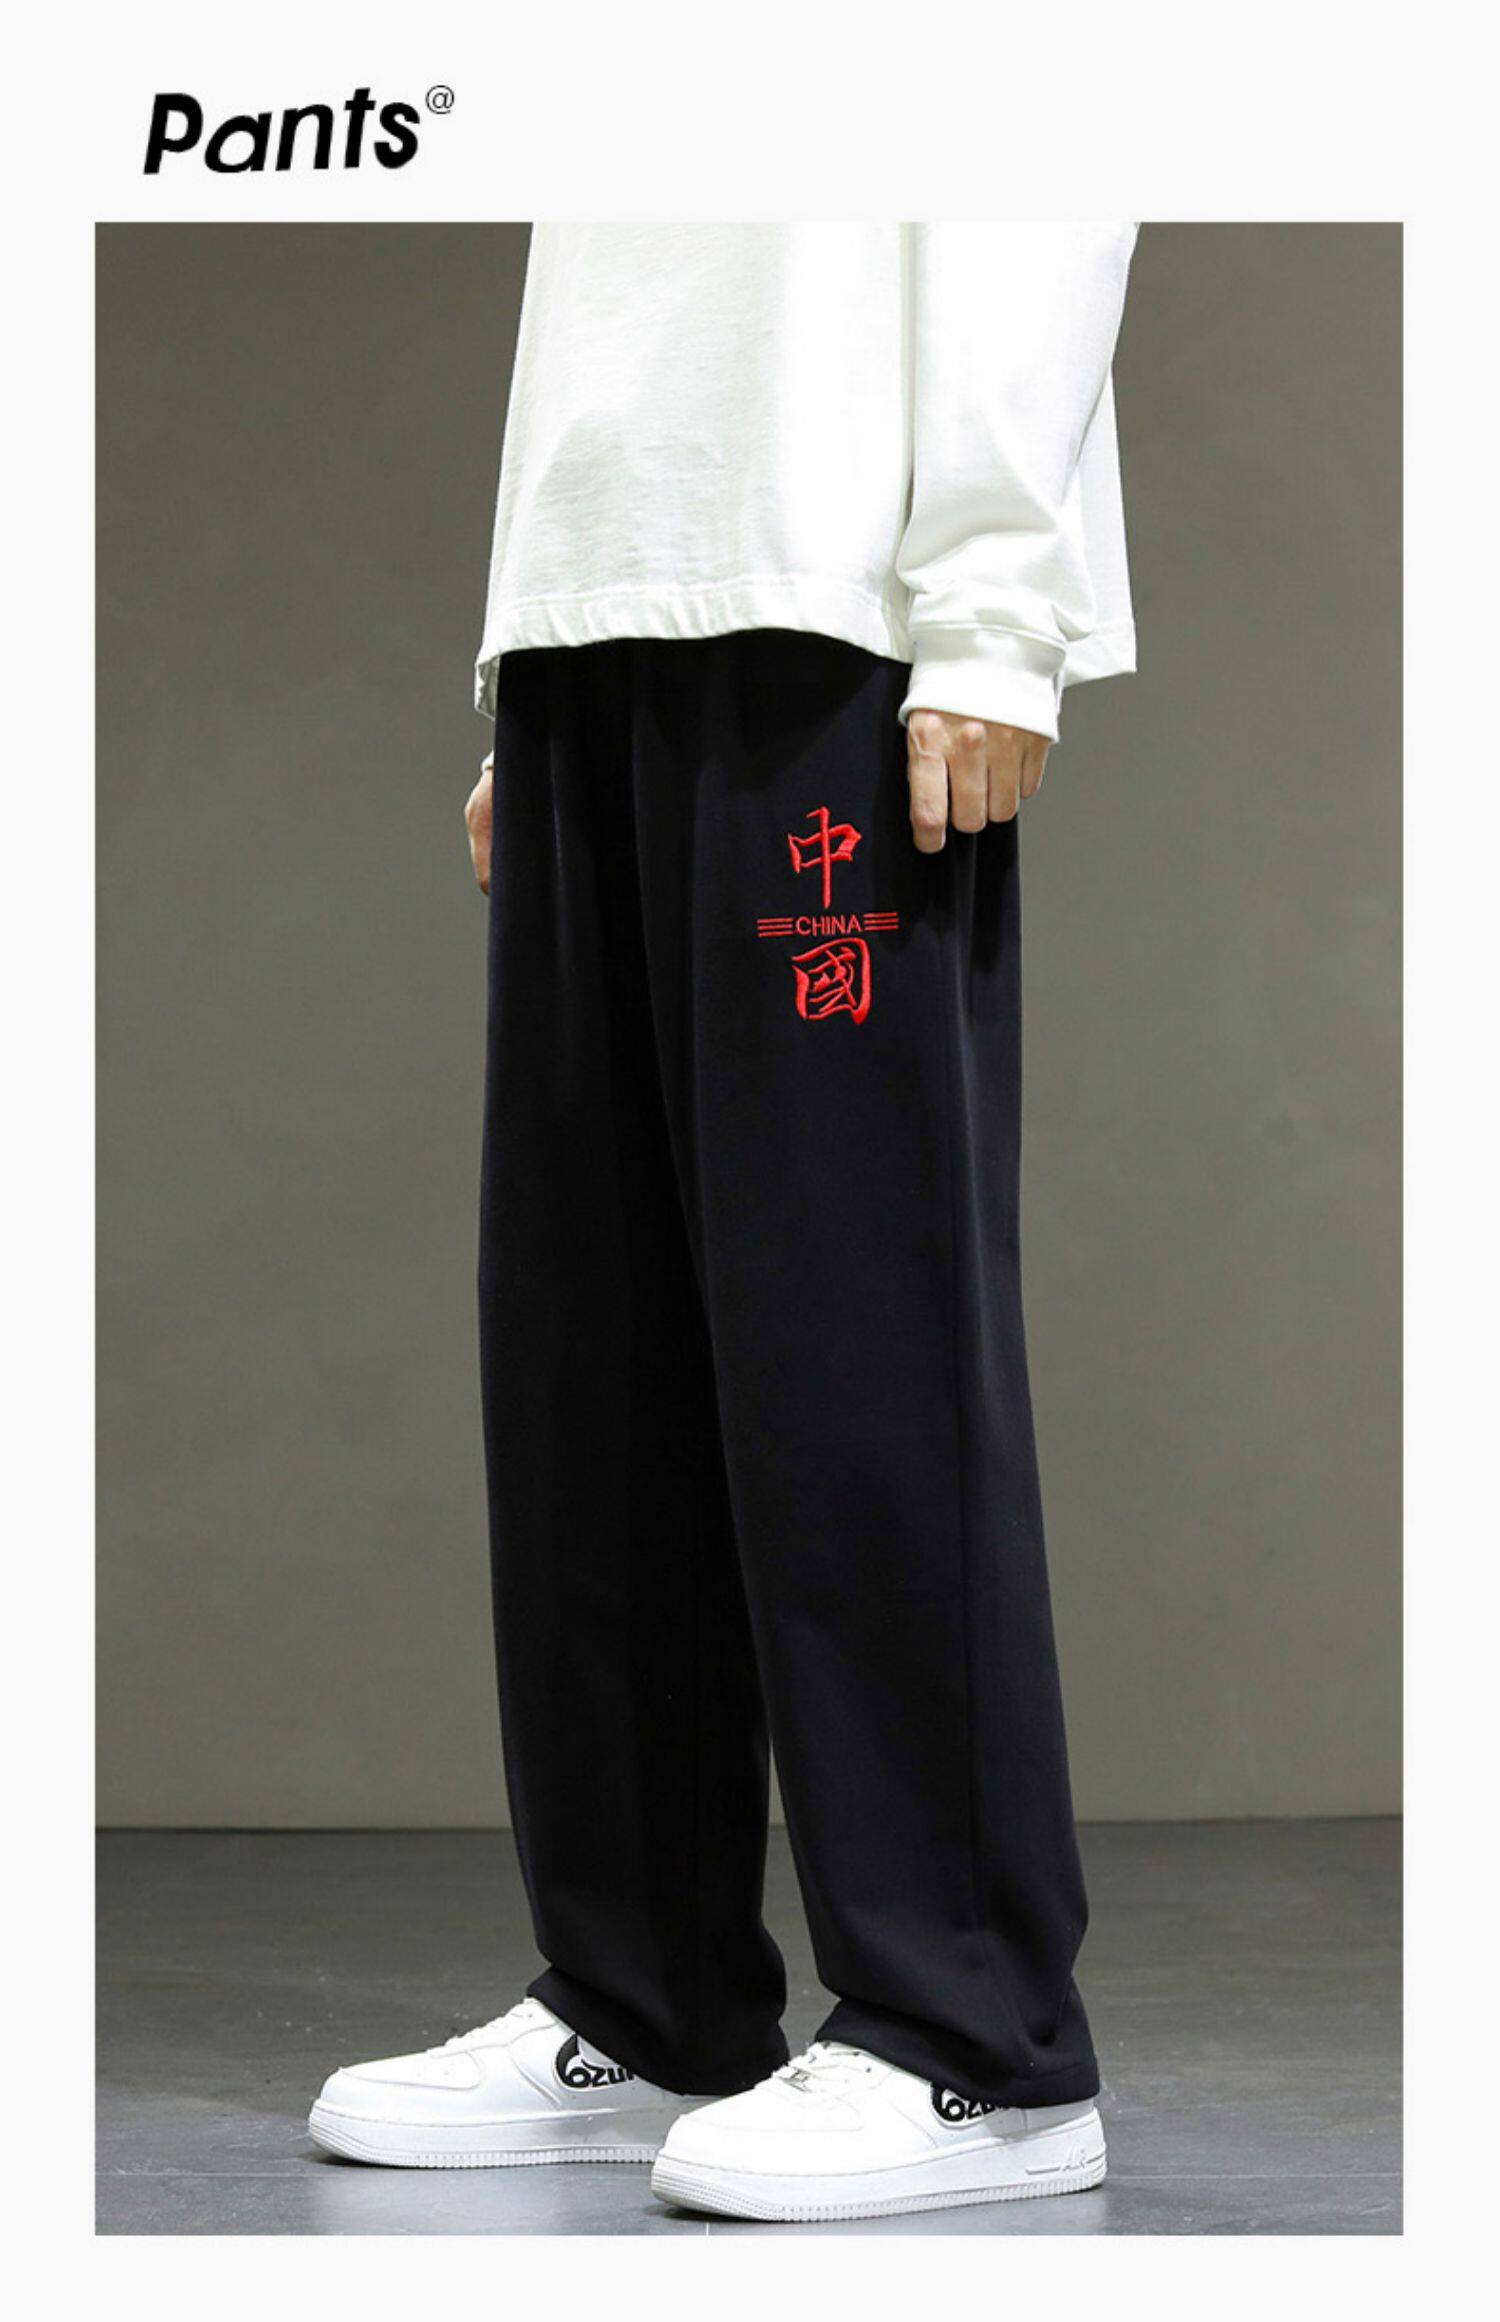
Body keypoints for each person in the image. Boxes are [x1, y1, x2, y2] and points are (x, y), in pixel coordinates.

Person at [310, 222, 1138, 2223]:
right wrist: (539, 666)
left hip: (836, 611)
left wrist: (994, 611)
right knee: (591, 1342)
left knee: (855, 1331)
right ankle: (651, 1991)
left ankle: (975, 2037)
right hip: (604, 616)